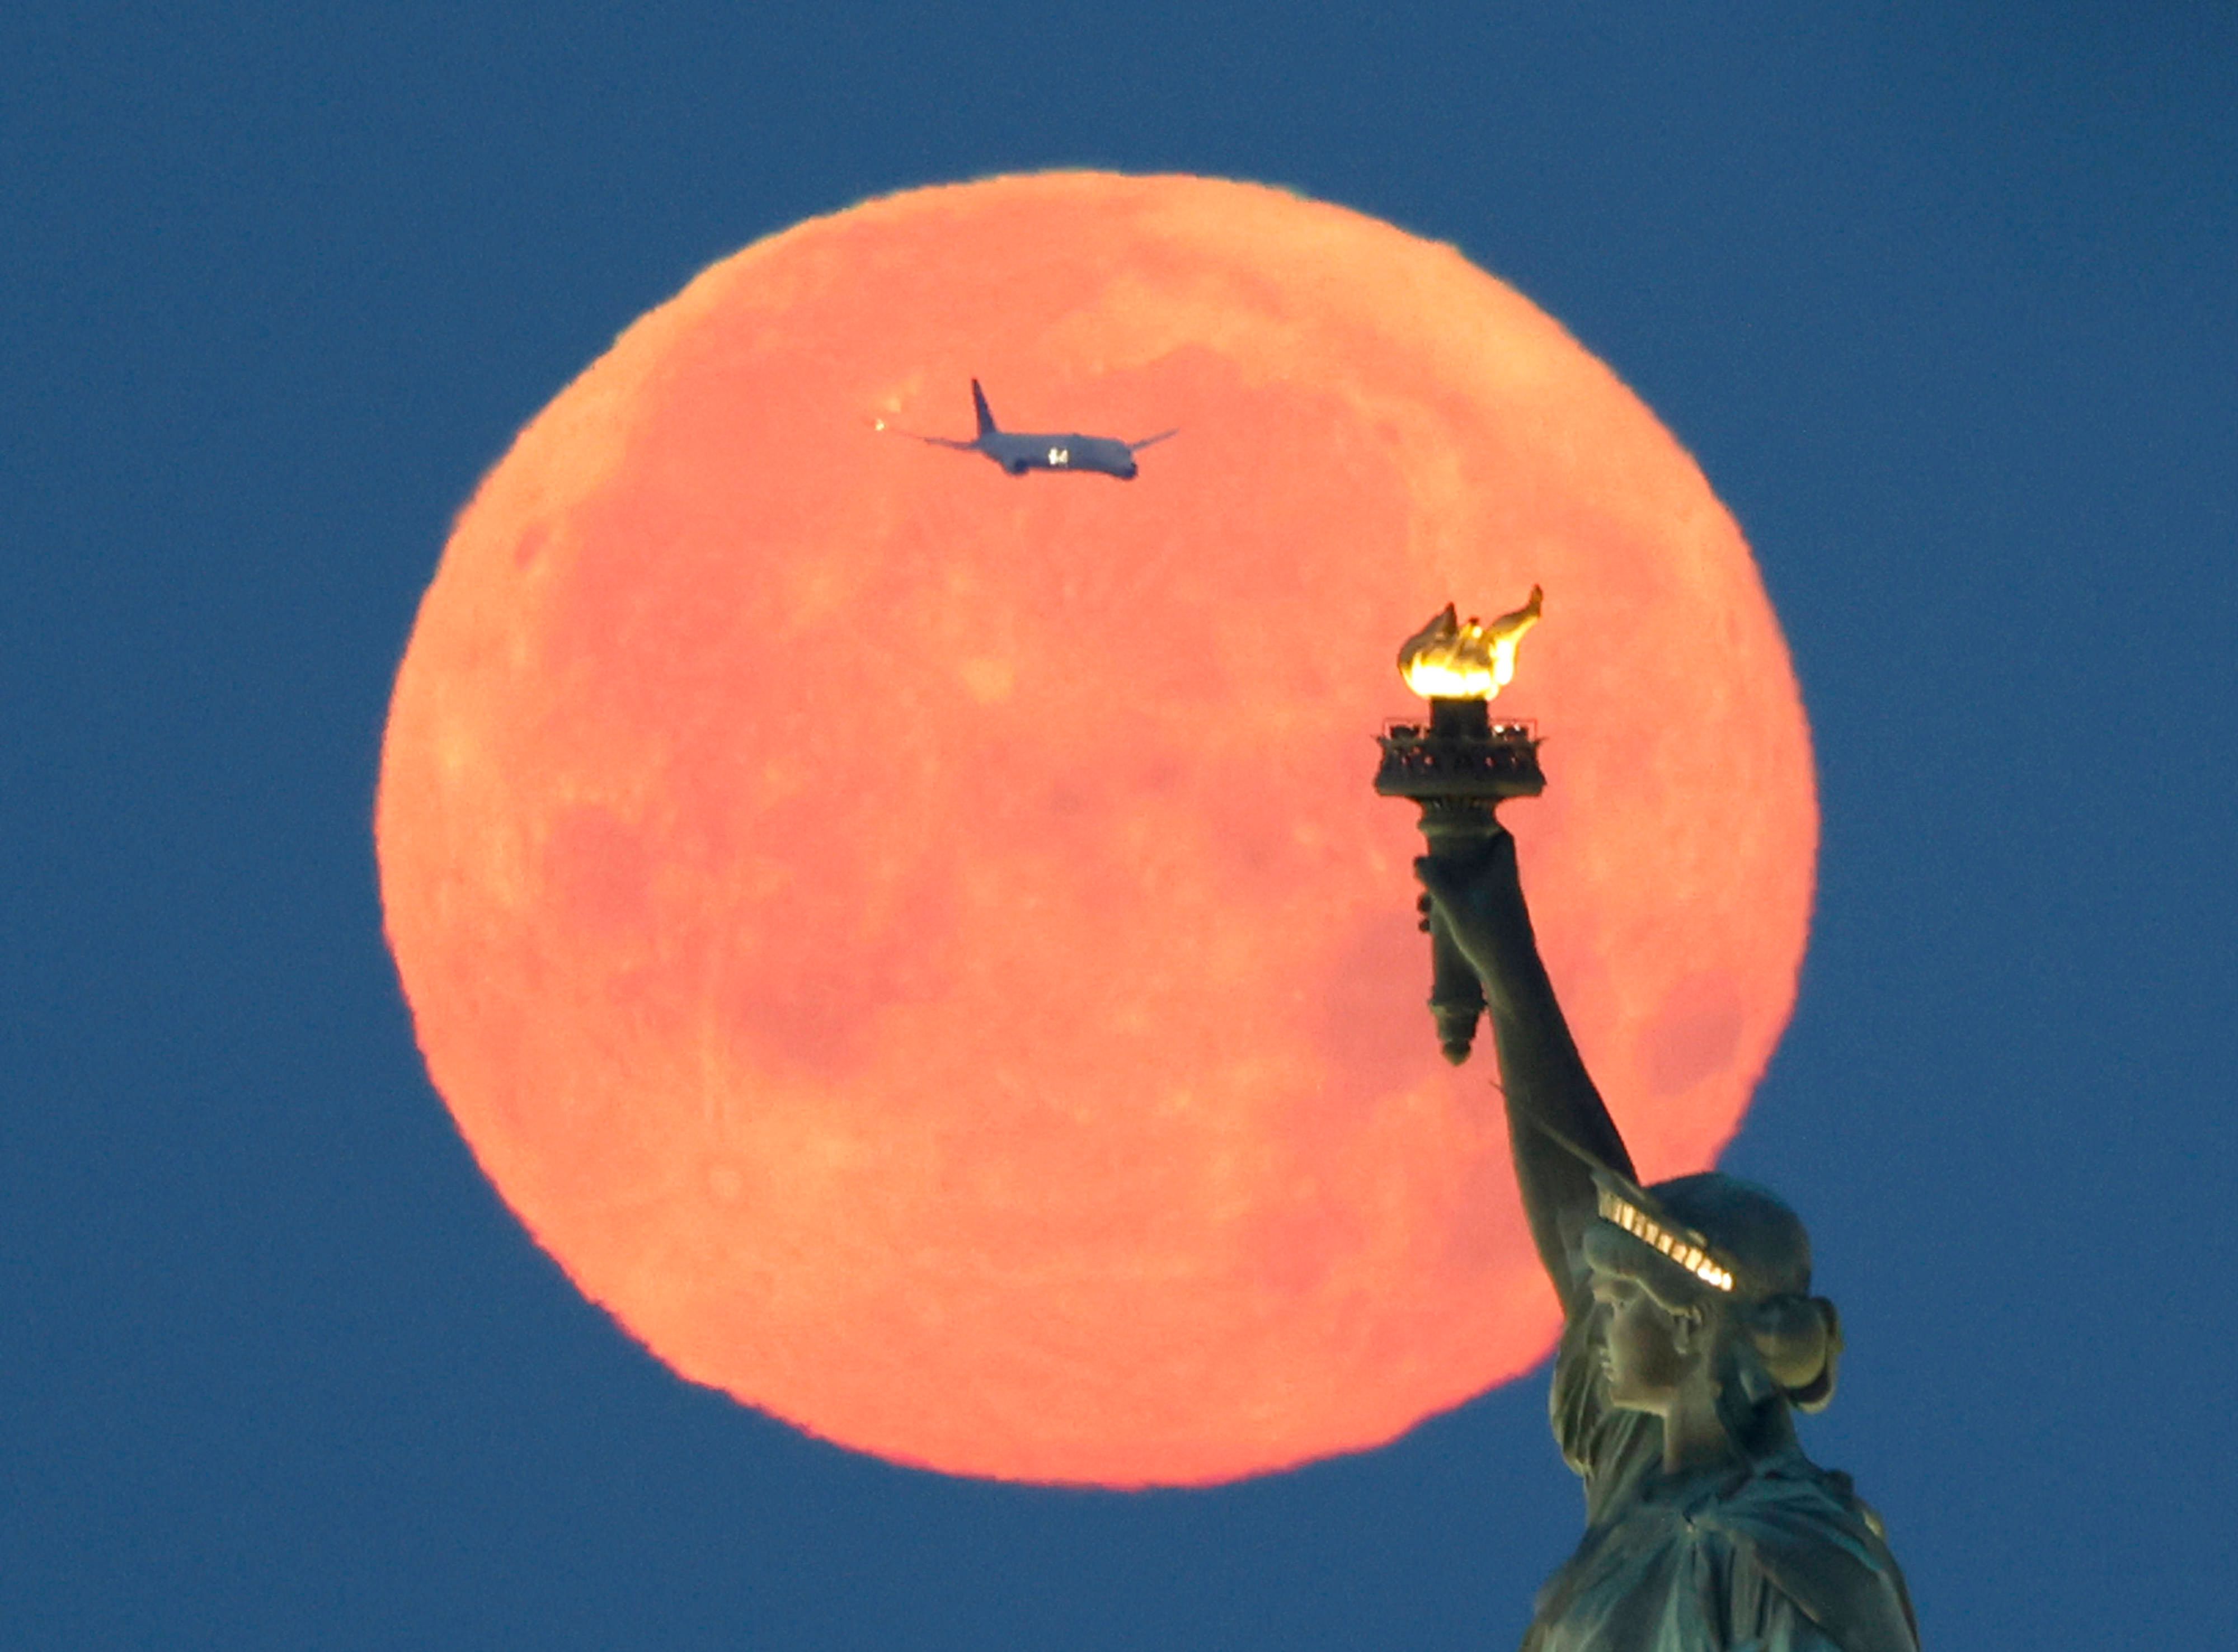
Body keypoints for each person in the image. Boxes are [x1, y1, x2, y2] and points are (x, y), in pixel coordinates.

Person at [1415, 828, 1919, 1652]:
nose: (1597, 1326)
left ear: (1689, 1324)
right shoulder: (1646, 1498)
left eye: (1620, 1306)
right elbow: (1582, 1215)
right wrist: (1506, 963)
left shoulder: (1803, 1564)